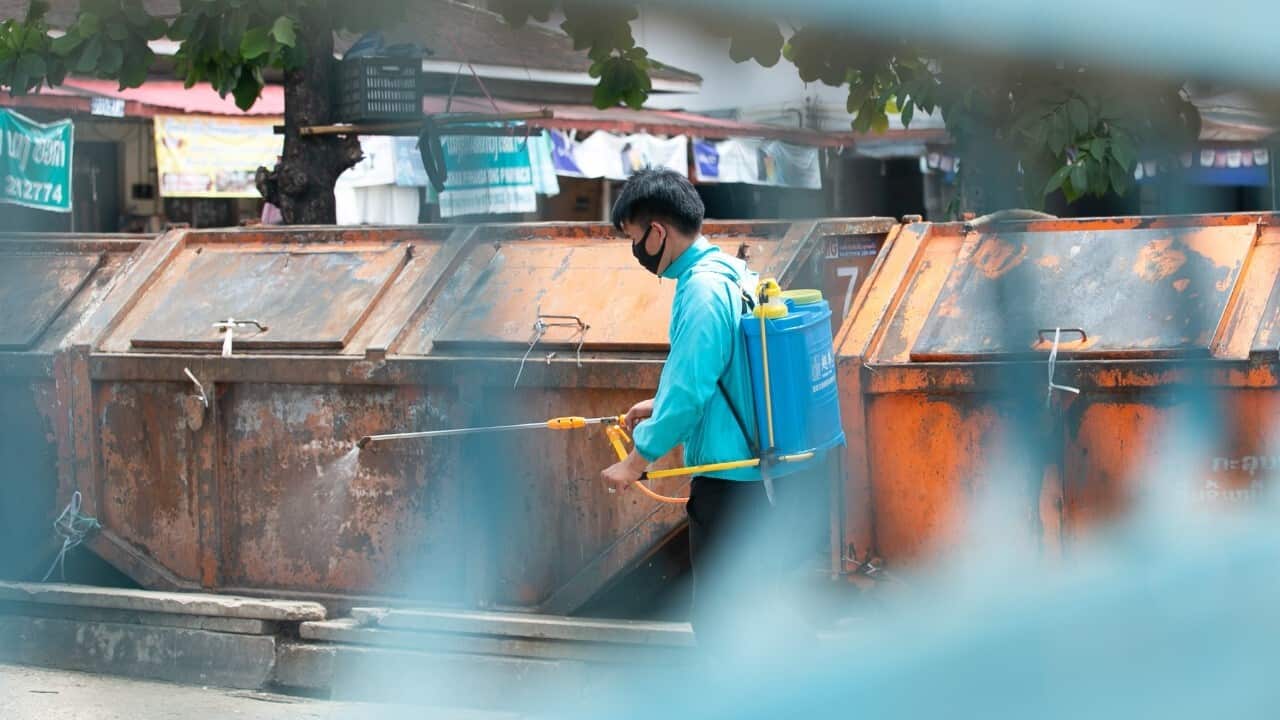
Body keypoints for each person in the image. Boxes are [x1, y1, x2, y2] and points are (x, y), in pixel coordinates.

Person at [600, 167, 818, 655]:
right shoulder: (729, 271)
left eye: (636, 239)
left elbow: (693, 387)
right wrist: (660, 403)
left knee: (724, 621)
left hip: (729, 477)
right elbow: (726, 366)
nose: (637, 252)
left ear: (658, 232)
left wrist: (636, 461)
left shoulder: (699, 289)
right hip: (754, 467)